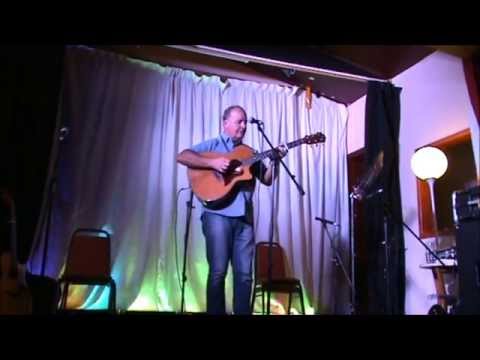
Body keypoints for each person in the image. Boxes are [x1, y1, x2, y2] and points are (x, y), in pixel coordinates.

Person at [176, 105, 287, 314]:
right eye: (239, 121)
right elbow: (183, 156)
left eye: (245, 122)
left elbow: (267, 179)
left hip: (244, 219)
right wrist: (213, 162)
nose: (244, 126)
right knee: (218, 272)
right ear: (225, 123)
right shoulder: (214, 144)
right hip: (217, 215)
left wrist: (277, 161)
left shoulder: (249, 153)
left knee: (245, 275)